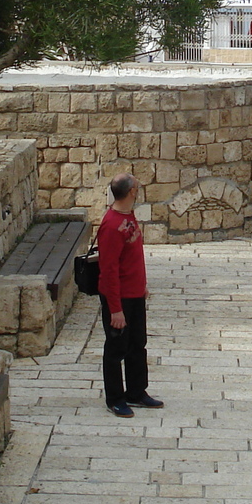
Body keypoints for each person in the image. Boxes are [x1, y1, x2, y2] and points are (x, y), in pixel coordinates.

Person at [96, 173, 162, 416]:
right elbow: (109, 270)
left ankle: (136, 391)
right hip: (119, 298)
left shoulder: (128, 217)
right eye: (138, 185)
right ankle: (115, 398)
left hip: (134, 294)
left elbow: (131, 259)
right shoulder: (112, 225)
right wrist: (115, 309)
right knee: (116, 349)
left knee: (137, 344)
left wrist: (141, 285)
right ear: (132, 191)